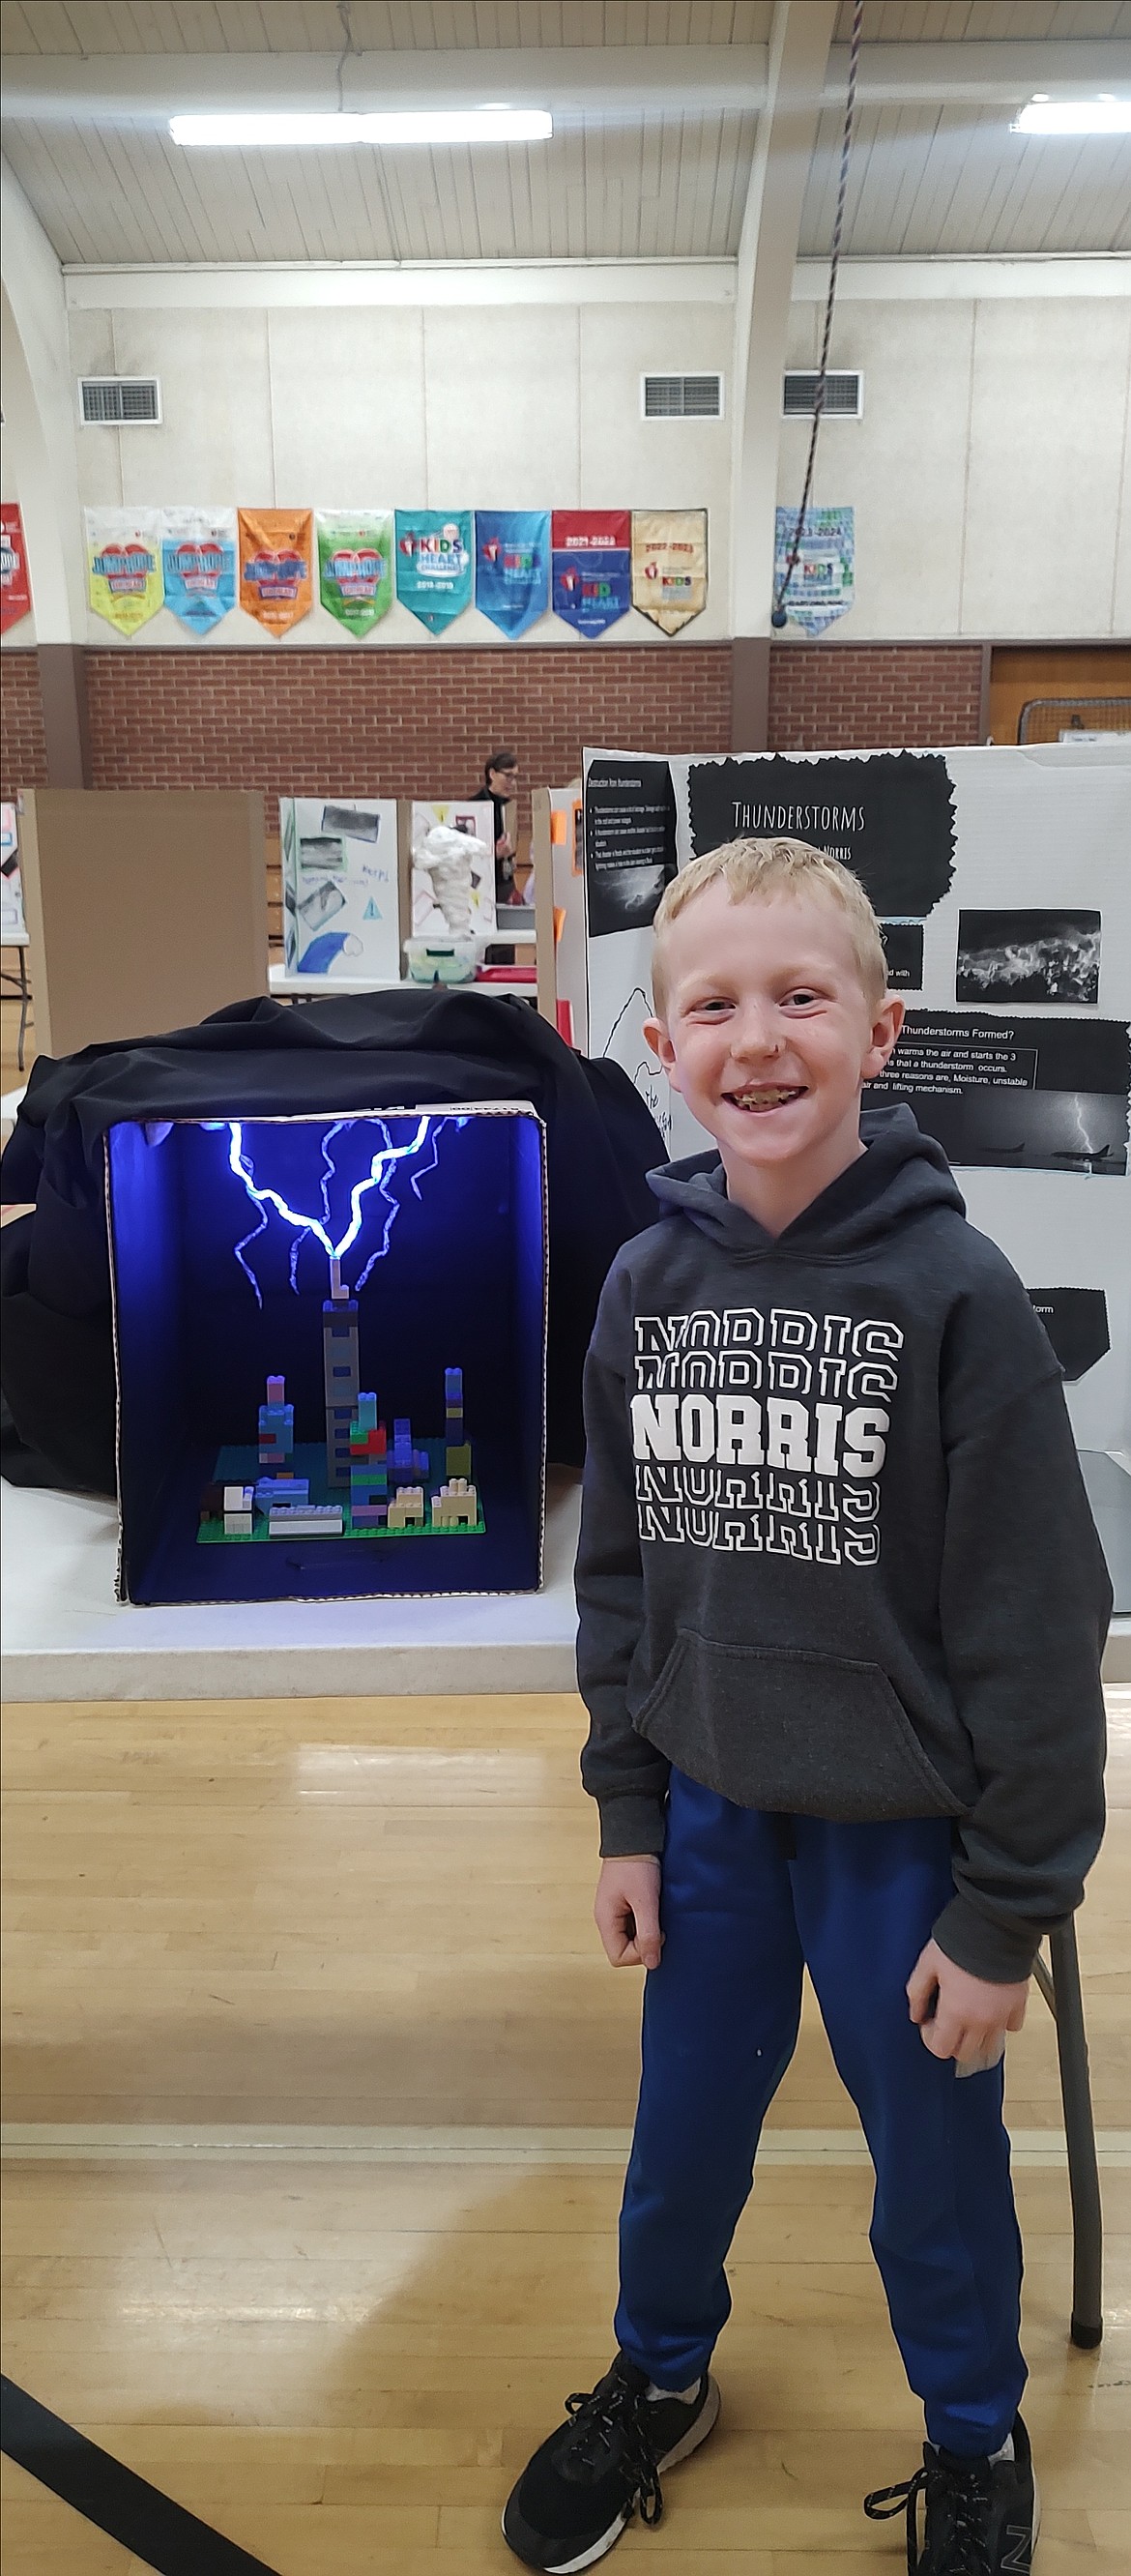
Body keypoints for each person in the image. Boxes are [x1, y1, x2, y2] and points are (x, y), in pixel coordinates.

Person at [502, 836, 1110, 2576]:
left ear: (880, 1025)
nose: (757, 1038)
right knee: (680, 2131)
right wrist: (627, 1808)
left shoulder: (957, 1295)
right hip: (707, 1815)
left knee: (935, 2163)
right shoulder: (646, 1282)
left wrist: (1004, 1911)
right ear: (661, 1042)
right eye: (714, 1004)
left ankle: (972, 2433)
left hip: (907, 1843)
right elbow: (618, 1573)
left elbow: (1037, 1626)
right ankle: (658, 2370)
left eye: (801, 997)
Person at [477, 746, 523, 907]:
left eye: (515, 777)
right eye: (508, 776)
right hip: (482, 886)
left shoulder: (508, 806)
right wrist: (493, 853)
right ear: (492, 774)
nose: (512, 783)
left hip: (505, 881)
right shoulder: (475, 807)